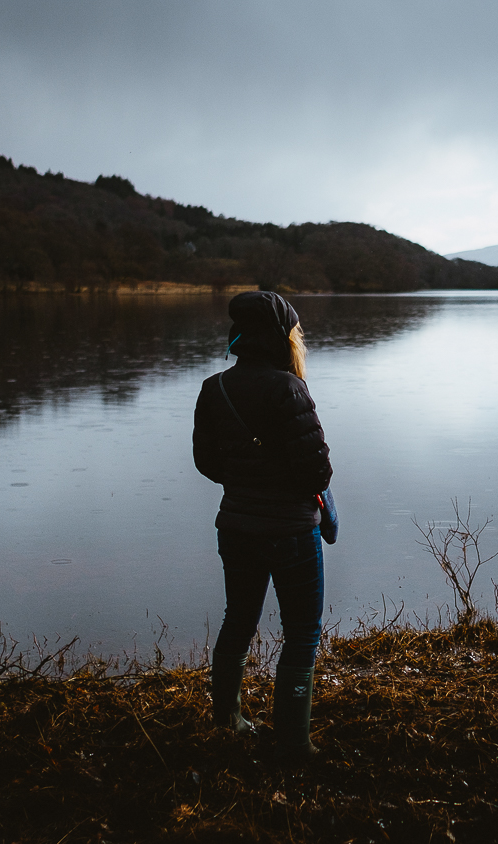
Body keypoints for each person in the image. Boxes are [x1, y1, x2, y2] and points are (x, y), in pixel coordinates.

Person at [193, 291, 332, 762]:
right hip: (292, 533)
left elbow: (208, 462)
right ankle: (294, 744)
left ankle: (227, 721)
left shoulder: (215, 388)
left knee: (238, 622)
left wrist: (249, 479)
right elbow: (317, 474)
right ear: (282, 337)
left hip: (236, 528)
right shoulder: (289, 389)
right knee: (301, 635)